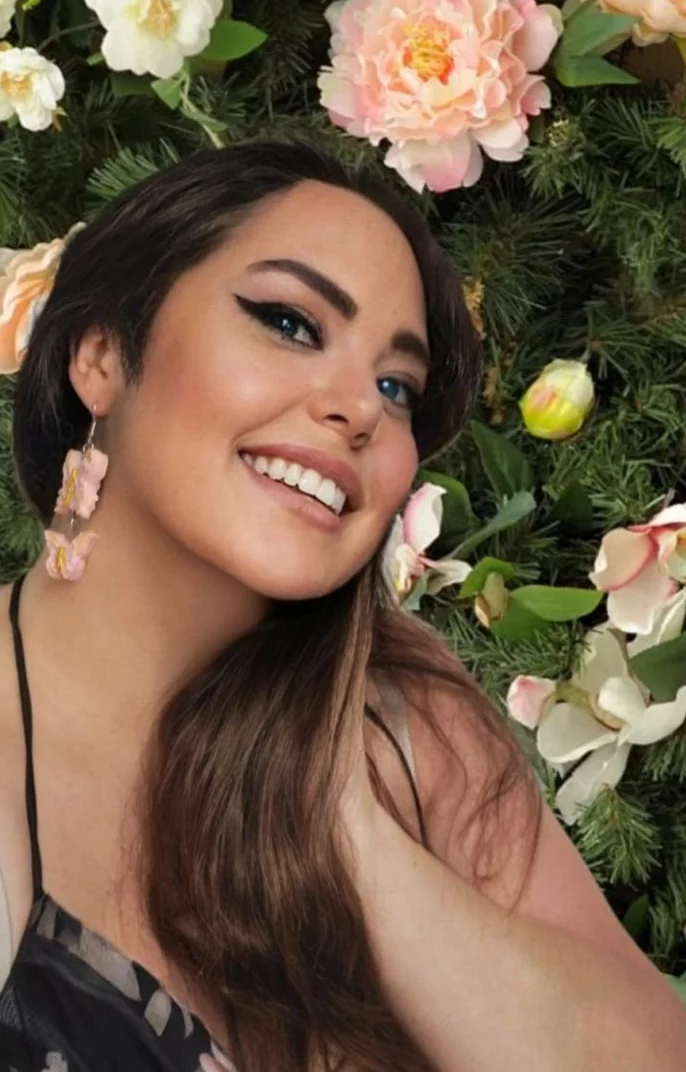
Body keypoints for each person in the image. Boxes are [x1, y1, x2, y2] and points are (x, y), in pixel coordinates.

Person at [0, 140, 682, 1072]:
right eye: (289, 322)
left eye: (396, 387)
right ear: (102, 356)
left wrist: (345, 823)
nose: (361, 408)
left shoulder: (405, 716)